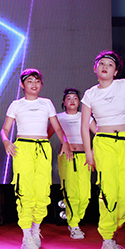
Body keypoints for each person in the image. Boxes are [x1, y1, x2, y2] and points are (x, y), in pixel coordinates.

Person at [81, 50, 125, 249]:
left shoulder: (124, 86)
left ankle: (113, 227)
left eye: (110, 64)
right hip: (104, 144)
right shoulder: (90, 94)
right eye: (101, 63)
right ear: (95, 69)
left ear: (115, 71)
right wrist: (89, 152)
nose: (105, 66)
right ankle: (108, 240)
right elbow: (84, 126)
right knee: (109, 191)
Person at [0, 68, 70, 249]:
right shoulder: (16, 104)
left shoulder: (46, 103)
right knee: (24, 191)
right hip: (23, 148)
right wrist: (6, 141)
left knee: (42, 190)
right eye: (30, 81)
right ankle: (26, 235)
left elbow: (57, 127)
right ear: (22, 85)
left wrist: (65, 142)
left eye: (37, 81)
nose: (34, 84)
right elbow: (5, 129)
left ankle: (36, 230)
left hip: (43, 148)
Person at [54, 88, 96, 240]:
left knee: (85, 194)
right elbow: (45, 135)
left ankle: (75, 218)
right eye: (69, 98)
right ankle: (74, 224)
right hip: (67, 157)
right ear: (64, 102)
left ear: (79, 102)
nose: (72, 101)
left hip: (85, 157)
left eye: (75, 98)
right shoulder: (58, 118)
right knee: (71, 192)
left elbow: (99, 134)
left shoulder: (86, 117)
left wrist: (91, 151)